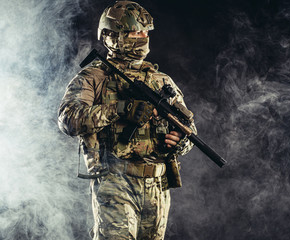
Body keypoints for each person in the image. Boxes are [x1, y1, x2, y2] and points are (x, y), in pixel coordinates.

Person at [57, 1, 196, 239]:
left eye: (146, 32)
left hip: (157, 186)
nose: (143, 37)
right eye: (135, 32)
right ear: (112, 36)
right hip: (115, 182)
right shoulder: (94, 77)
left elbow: (188, 129)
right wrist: (120, 109)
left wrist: (181, 141)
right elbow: (68, 119)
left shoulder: (162, 81)